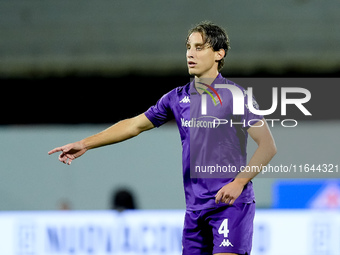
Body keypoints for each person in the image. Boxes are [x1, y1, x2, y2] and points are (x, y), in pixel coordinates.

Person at [49, 21, 277, 255]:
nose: (190, 53)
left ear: (219, 53)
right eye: (188, 47)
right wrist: (85, 143)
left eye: (199, 47)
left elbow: (268, 146)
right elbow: (134, 125)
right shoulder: (176, 98)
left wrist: (239, 182)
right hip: (195, 209)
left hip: (230, 206)